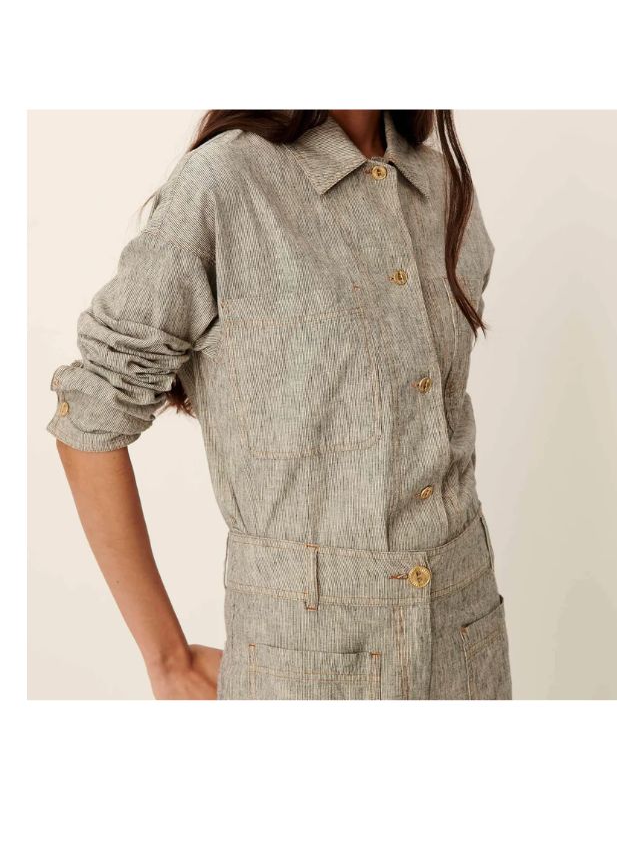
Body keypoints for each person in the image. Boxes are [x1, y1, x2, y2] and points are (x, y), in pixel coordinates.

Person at [47, 110, 513, 700]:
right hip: (303, 655)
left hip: (468, 638)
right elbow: (91, 410)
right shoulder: (226, 182)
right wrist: (167, 658)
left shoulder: (441, 184)